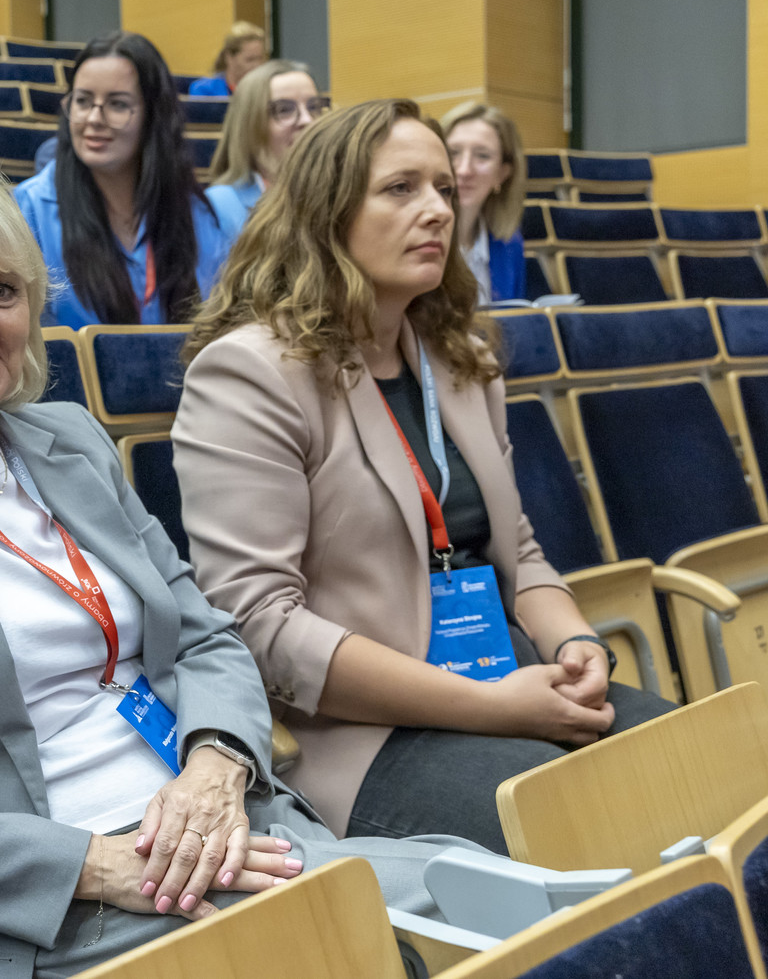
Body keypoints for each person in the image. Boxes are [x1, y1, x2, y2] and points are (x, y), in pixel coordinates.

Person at [0, 152, 489, 979]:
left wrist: (216, 765)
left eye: (2, 291)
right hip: (46, 907)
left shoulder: (68, 441)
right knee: (391, 941)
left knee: (480, 891)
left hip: (219, 829)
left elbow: (207, 637)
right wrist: (95, 865)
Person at [172, 99, 674, 853]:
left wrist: (577, 645)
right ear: (327, 211)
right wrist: (488, 707)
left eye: (443, 188)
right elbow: (261, 623)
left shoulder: (461, 359)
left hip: (508, 679)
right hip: (364, 733)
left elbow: (518, 552)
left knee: (710, 764)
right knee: (604, 829)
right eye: (401, 188)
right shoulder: (249, 373)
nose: (438, 208)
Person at [13, 31, 246, 330]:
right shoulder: (28, 211)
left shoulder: (200, 214)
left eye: (118, 104)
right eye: (83, 101)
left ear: (154, 115)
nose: (94, 119)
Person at [207, 58, 327, 222]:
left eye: (314, 107)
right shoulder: (219, 206)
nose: (307, 120)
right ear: (248, 125)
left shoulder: (339, 196)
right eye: (284, 110)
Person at [441, 101, 527, 303]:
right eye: (453, 153)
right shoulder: (420, 240)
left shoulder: (509, 246)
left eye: (482, 156)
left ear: (502, 173)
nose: (464, 170)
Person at [187, 20, 267, 98]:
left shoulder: (268, 90)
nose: (257, 65)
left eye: (260, 58)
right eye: (250, 60)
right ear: (229, 57)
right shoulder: (204, 89)